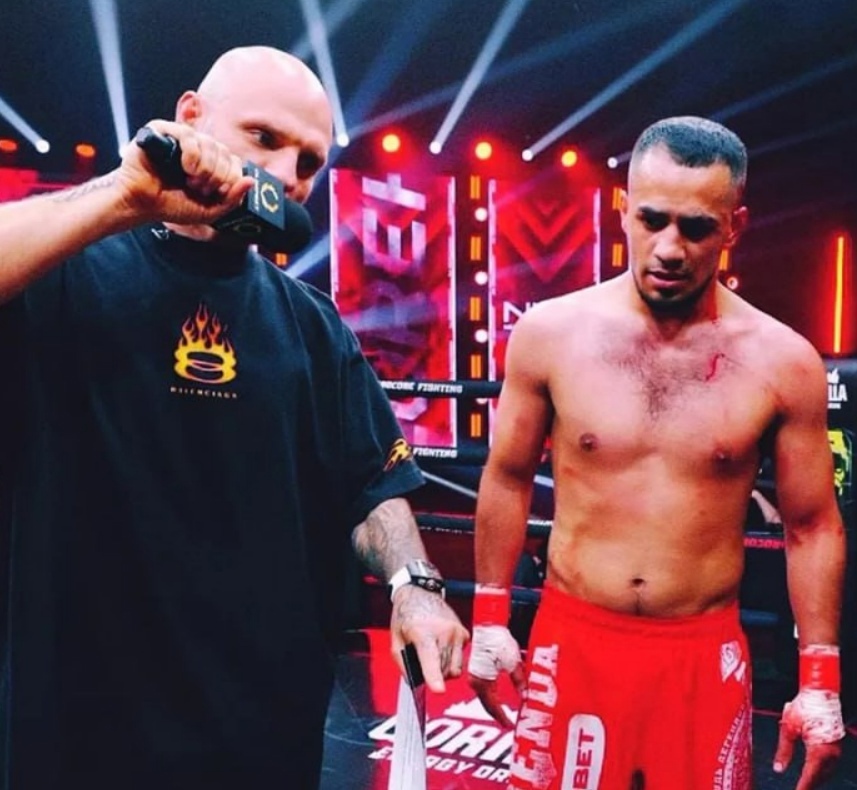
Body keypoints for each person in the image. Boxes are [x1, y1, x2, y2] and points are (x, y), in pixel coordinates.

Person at [0, 46, 468, 789]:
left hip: (260, 729)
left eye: (309, 162)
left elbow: (370, 485)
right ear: (191, 116)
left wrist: (414, 583)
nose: (285, 175)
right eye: (263, 137)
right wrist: (127, 195)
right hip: (78, 725)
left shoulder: (311, 325)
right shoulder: (66, 272)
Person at [466, 116, 846, 789]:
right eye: (652, 219)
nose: (669, 248)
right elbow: (508, 475)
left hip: (700, 652)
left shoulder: (783, 362)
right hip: (573, 639)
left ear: (733, 227)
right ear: (624, 210)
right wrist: (491, 619)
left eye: (695, 228)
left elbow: (811, 524)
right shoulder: (551, 334)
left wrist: (819, 680)